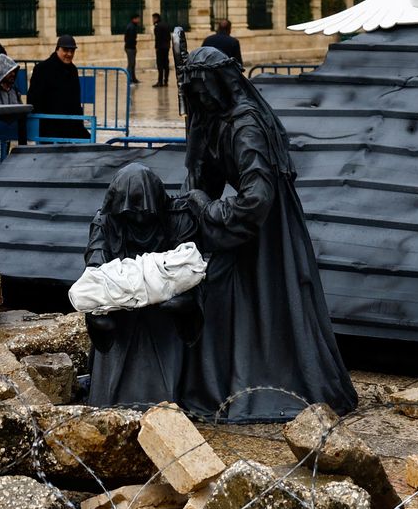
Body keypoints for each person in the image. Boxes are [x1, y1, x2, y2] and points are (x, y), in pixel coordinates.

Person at [176, 46, 356, 422]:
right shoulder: (216, 120)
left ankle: (249, 385)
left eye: (205, 89)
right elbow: (205, 175)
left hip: (265, 232)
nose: (201, 98)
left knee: (248, 297)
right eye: (195, 93)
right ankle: (226, 381)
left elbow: (257, 198)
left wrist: (208, 209)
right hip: (243, 229)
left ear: (222, 85)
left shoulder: (246, 125)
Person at [84, 163, 203, 408]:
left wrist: (185, 299)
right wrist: (96, 309)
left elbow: (191, 264)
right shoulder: (105, 223)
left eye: (145, 211)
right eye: (131, 212)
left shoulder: (176, 219)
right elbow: (94, 268)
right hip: (121, 308)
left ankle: (174, 400)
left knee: (176, 316)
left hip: (165, 308)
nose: (139, 217)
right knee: (104, 324)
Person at [28, 35, 91, 141]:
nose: (69, 54)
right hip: (49, 125)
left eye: (72, 51)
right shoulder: (42, 69)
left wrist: (78, 122)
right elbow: (34, 100)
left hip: (71, 125)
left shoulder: (73, 70)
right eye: (66, 50)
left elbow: (75, 100)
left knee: (89, 143)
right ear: (57, 49)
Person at [152, 13, 171, 87]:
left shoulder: (157, 26)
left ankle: (160, 81)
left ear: (156, 18)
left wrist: (156, 47)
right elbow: (169, 37)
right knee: (166, 65)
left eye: (153, 19)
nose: (153, 20)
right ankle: (165, 81)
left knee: (160, 65)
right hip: (166, 47)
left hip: (160, 48)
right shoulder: (166, 25)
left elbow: (158, 38)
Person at [123, 14, 142, 85]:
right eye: (138, 19)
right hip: (130, 48)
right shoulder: (131, 27)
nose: (139, 20)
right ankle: (129, 80)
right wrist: (132, 44)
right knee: (130, 64)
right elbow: (129, 38)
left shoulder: (133, 26)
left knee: (133, 64)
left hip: (131, 47)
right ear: (134, 19)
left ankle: (133, 78)